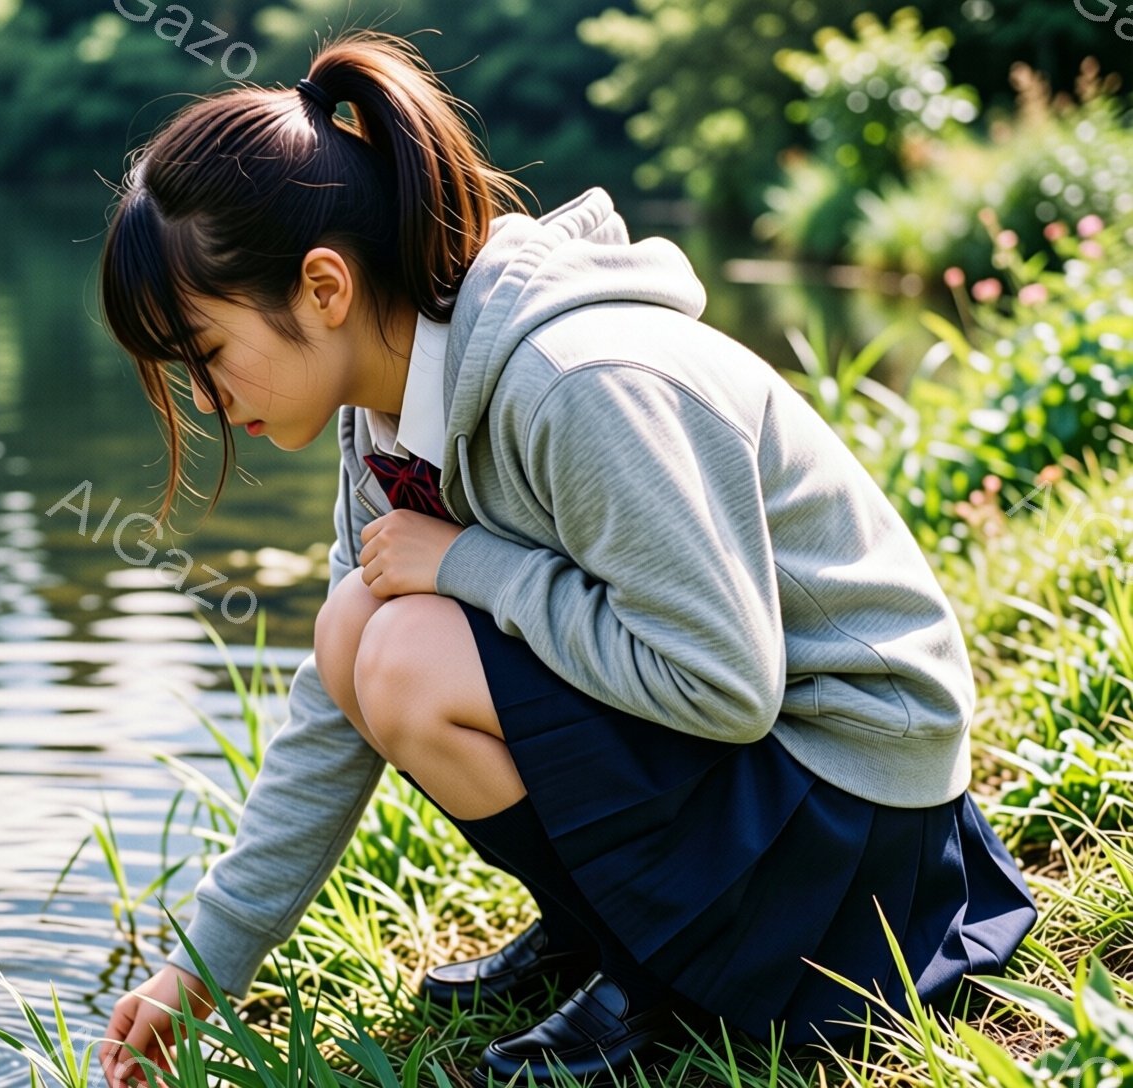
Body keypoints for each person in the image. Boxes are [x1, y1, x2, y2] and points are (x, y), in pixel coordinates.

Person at [92, 28, 1040, 1088]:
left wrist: (469, 568)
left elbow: (723, 683)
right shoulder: (388, 405)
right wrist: (202, 963)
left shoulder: (576, 381)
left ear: (323, 288)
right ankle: (608, 932)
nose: (208, 402)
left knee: (407, 642)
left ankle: (662, 968)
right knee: (354, 627)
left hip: (862, 827)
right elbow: (330, 705)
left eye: (209, 355)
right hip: (772, 777)